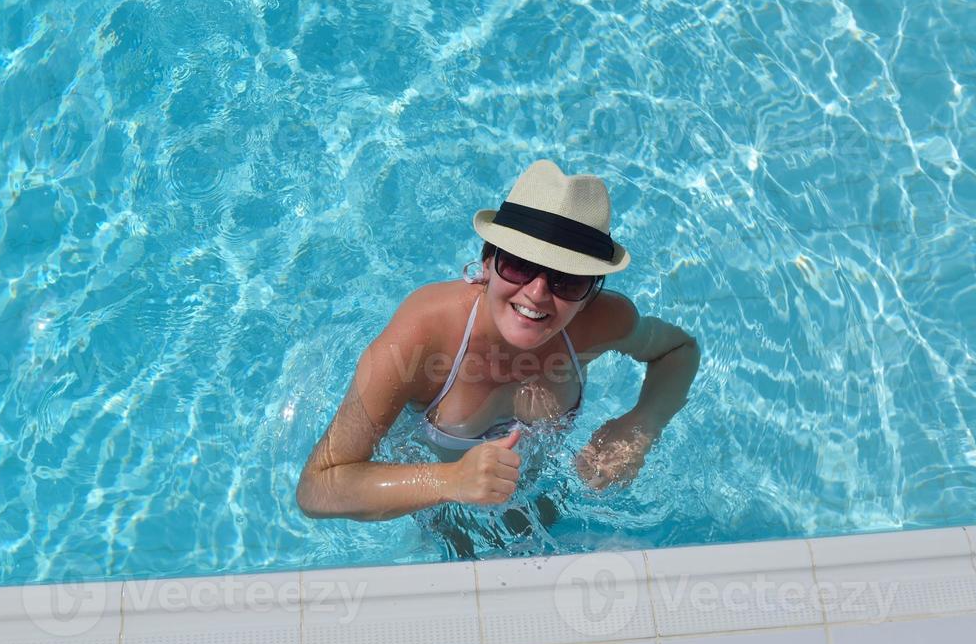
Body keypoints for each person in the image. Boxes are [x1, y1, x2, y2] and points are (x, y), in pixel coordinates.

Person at [296, 159, 700, 531]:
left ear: (591, 290)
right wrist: (448, 480)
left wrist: (642, 423)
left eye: (567, 279)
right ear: (487, 261)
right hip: (438, 514)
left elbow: (679, 352)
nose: (538, 293)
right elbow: (318, 486)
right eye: (519, 265)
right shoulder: (424, 334)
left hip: (542, 503)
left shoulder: (603, 322)